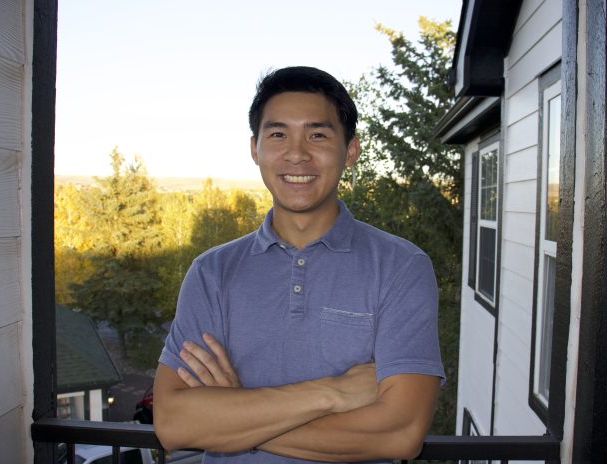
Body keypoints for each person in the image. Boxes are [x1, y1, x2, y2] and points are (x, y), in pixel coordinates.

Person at [153, 66, 445, 463]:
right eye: (277, 134)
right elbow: (173, 423)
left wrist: (235, 419)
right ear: (255, 148)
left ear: (351, 150)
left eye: (318, 134)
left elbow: (400, 432)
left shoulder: (401, 267)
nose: (296, 153)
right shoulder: (213, 272)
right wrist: (332, 393)